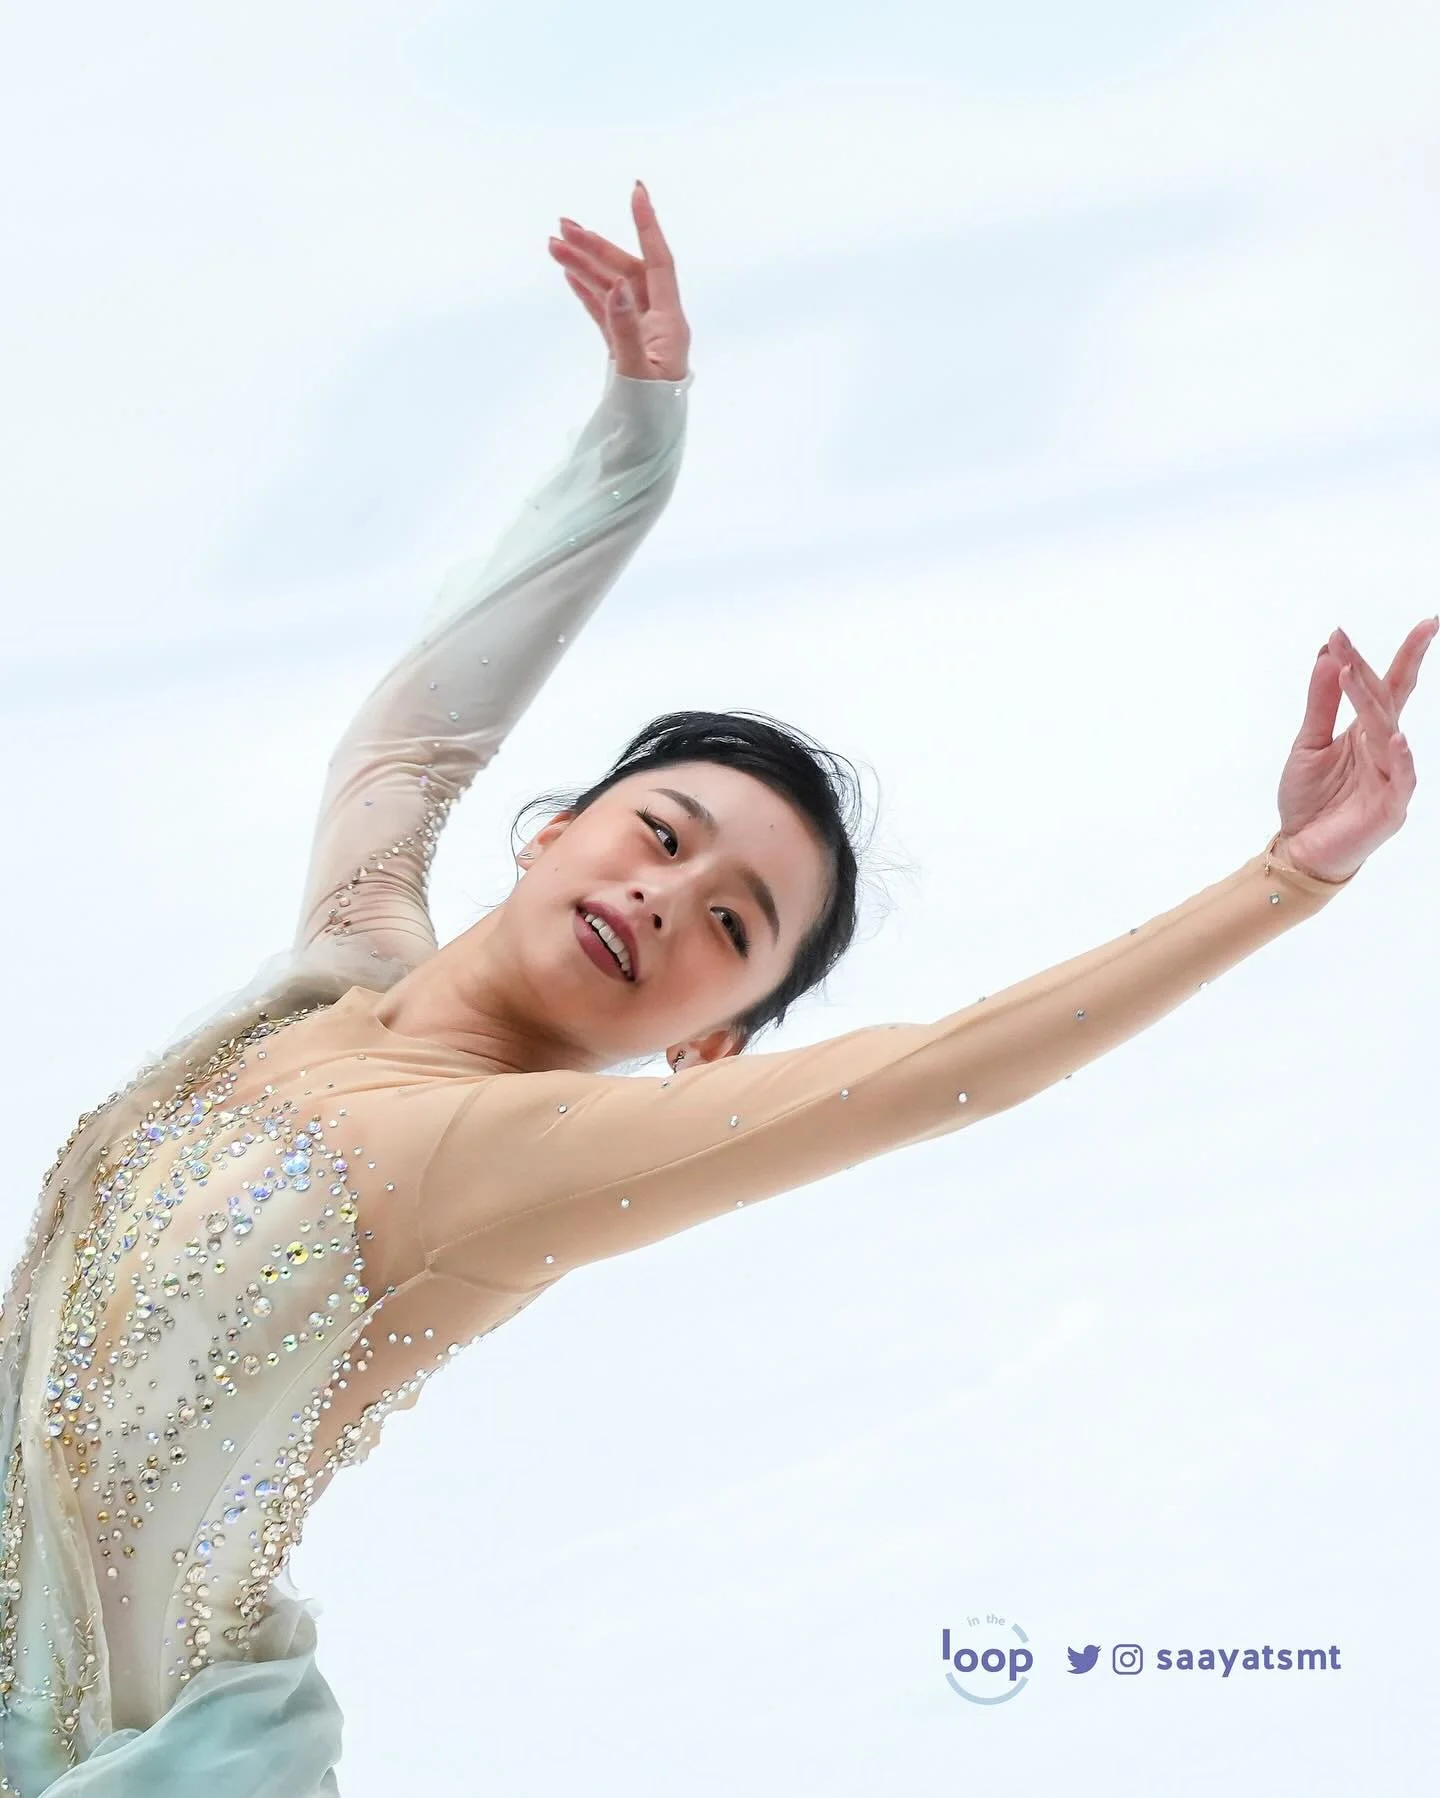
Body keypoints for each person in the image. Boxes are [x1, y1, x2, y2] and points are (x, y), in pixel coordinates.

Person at [0, 179, 1431, 1796]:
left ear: (713, 1039)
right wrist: (641, 428)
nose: (664, 895)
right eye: (662, 833)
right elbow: (411, 738)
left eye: (731, 925)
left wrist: (1286, 880)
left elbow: (938, 1069)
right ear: (553, 831)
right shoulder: (341, 962)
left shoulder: (503, 1158)